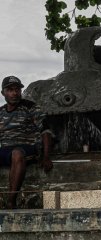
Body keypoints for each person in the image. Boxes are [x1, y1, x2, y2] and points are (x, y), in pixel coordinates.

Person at [0, 76, 53, 209]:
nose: (14, 93)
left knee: (17, 154)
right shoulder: (0, 112)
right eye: (10, 90)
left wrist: (46, 157)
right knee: (12, 153)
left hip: (27, 148)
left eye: (17, 89)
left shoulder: (30, 107)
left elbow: (46, 131)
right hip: (6, 149)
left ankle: (11, 201)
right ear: (3, 93)